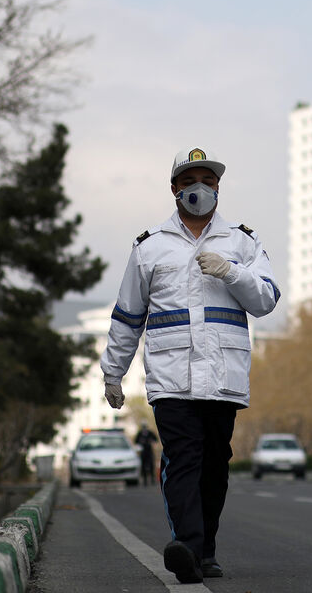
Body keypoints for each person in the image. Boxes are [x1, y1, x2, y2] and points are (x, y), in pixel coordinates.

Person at [101, 147, 280, 584]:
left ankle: (205, 550)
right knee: (183, 459)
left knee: (215, 465)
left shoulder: (243, 241)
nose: (199, 187)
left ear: (218, 187)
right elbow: (128, 315)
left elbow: (267, 300)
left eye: (208, 180)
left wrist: (230, 272)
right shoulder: (149, 247)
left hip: (223, 377)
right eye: (189, 180)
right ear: (175, 189)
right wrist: (113, 372)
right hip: (171, 378)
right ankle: (187, 545)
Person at [134, 422, 158, 487]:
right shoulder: (140, 433)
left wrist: (151, 441)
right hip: (143, 451)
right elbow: (136, 441)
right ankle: (145, 480)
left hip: (149, 450)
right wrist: (140, 443)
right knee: (143, 465)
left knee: (151, 465)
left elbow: (155, 439)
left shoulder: (150, 433)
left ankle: (152, 479)